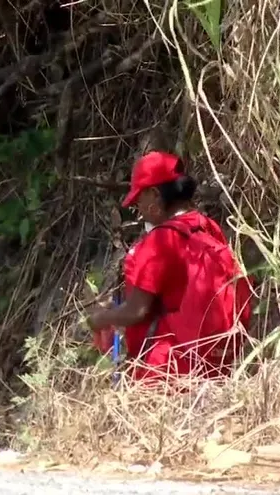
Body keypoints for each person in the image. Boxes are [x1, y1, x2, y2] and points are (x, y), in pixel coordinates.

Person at [84, 151, 253, 383]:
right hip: (213, 368)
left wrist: (100, 318)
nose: (138, 209)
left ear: (154, 195)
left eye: (138, 200)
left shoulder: (160, 242)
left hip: (167, 373)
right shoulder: (207, 226)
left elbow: (137, 311)